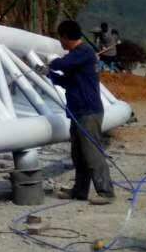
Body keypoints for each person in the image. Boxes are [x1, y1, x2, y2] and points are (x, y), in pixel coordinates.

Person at [43, 19, 113, 205]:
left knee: (92, 153)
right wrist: (49, 74)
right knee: (79, 155)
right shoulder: (77, 57)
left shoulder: (83, 53)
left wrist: (50, 63)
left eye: (60, 38)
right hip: (78, 112)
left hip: (88, 112)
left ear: (66, 37)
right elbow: (68, 82)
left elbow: (63, 64)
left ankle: (106, 192)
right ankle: (79, 191)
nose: (60, 42)